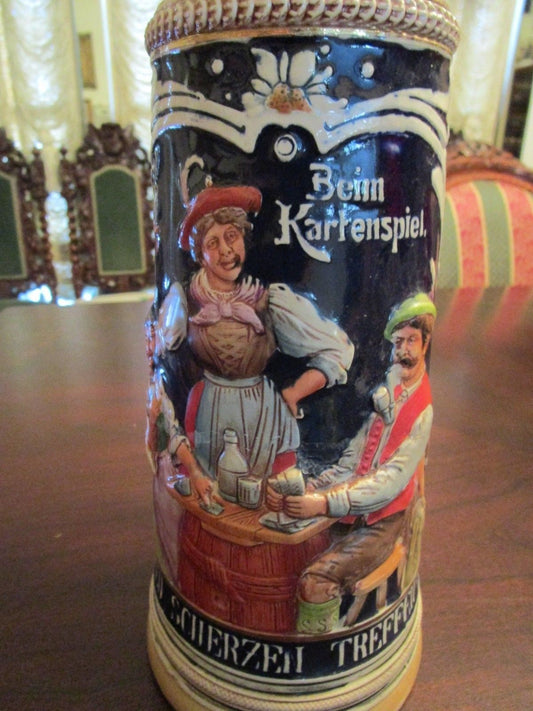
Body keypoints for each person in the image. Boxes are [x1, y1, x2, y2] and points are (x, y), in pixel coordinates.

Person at [153, 184, 354, 506]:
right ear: (200, 254)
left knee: (266, 499)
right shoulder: (184, 301)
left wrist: (294, 392)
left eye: (231, 236)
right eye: (213, 243)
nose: (226, 250)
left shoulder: (268, 301)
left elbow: (336, 350)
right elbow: (159, 357)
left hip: (264, 412)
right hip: (210, 409)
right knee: (217, 495)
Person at [266, 293, 436, 634]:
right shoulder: (390, 393)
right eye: (398, 342)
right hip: (354, 513)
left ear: (426, 343)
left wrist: (324, 503)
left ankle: (318, 652)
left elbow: (389, 482)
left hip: (384, 521)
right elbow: (354, 461)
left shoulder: (422, 410)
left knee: (313, 581)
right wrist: (316, 487)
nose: (403, 351)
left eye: (411, 341)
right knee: (285, 554)